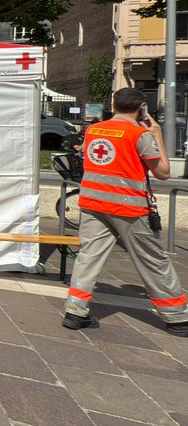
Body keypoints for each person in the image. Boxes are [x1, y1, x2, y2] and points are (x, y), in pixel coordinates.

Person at [64, 88, 188, 335]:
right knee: (152, 260)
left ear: (113, 105)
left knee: (89, 257)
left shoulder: (94, 130)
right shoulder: (140, 134)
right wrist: (157, 134)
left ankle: (75, 311)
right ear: (142, 108)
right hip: (129, 208)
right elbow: (163, 173)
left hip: (92, 203)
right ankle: (177, 318)